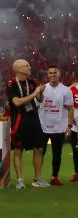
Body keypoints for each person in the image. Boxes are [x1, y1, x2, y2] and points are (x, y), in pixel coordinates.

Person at [6, 59, 47, 188]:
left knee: (39, 148)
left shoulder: (32, 82)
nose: (29, 67)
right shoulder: (11, 84)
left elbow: (39, 99)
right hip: (19, 119)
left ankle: (38, 178)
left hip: (33, 118)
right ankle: (20, 180)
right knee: (18, 150)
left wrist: (40, 93)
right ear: (18, 69)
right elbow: (17, 102)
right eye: (26, 65)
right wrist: (34, 94)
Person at [39, 65, 73, 186]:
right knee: (39, 153)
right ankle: (37, 177)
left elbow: (70, 109)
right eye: (50, 73)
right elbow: (36, 104)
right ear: (47, 75)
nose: (53, 75)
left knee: (57, 154)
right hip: (43, 126)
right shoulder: (42, 89)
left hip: (59, 127)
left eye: (55, 73)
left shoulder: (65, 90)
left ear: (59, 74)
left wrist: (69, 126)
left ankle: (54, 177)